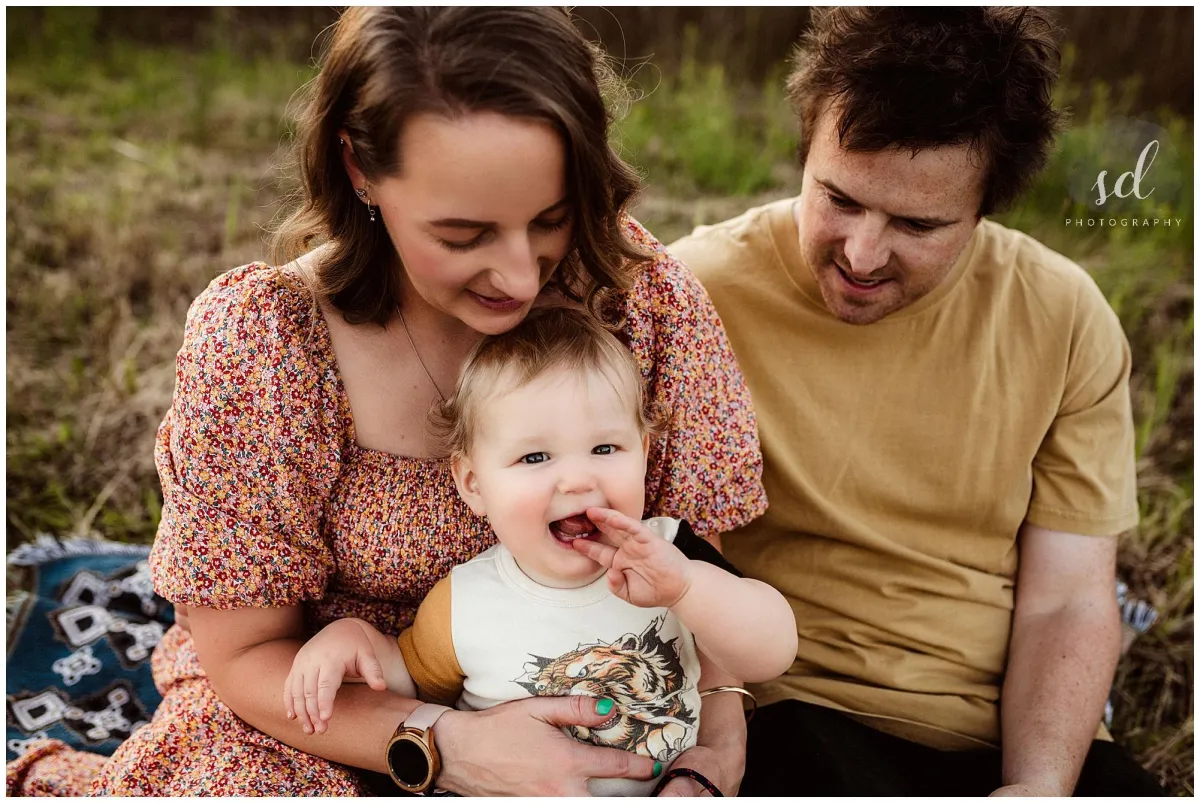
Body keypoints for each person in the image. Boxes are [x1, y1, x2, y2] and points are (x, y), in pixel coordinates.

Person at [6, 8, 767, 797]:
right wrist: (447, 744)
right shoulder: (266, 341)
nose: (519, 273)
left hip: (608, 714)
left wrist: (709, 754)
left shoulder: (639, 298)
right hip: (318, 712)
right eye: (465, 234)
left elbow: (696, 580)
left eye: (550, 217)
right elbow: (247, 655)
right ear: (359, 169)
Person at [669, 7, 1166, 797]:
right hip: (791, 717)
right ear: (806, 149)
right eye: (839, 199)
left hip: (1000, 732)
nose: (863, 254)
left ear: (984, 210)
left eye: (917, 223)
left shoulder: (1065, 317)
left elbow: (1069, 599)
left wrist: (1036, 785)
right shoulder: (694, 295)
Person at [283, 307, 798, 796]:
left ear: (643, 453)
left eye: (604, 449)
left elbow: (771, 652)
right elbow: (407, 678)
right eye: (534, 457)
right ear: (473, 483)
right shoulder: (466, 600)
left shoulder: (672, 553)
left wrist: (686, 589)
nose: (576, 480)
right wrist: (354, 641)